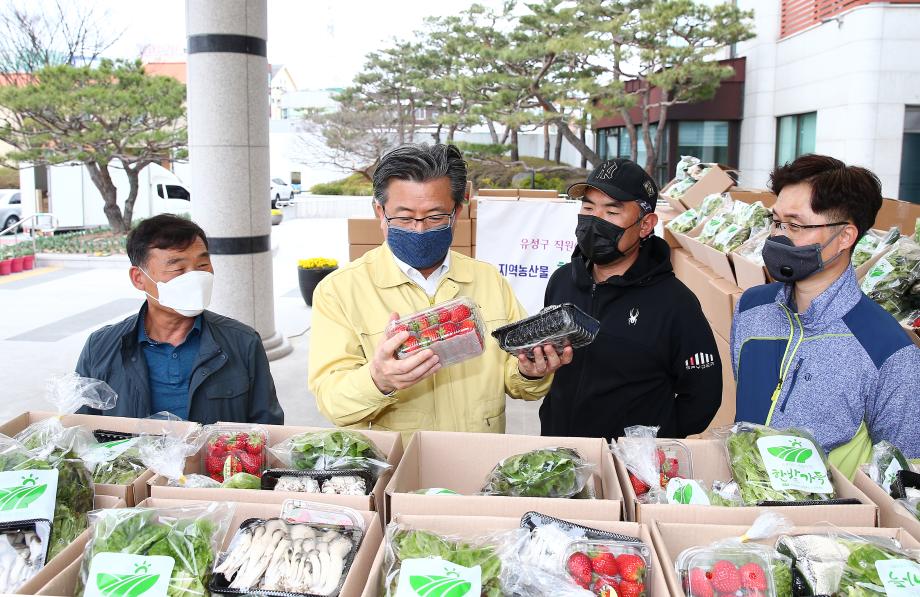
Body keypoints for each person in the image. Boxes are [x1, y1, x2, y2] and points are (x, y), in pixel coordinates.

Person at [309, 143, 572, 438]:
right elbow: (332, 402)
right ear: (380, 212)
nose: (419, 229)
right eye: (405, 217)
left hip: (478, 455)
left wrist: (529, 371)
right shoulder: (339, 291)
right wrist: (378, 379)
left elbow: (516, 377)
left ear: (457, 212)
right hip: (398, 460)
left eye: (435, 217)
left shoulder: (488, 280)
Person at [731, 154, 920, 476]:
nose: (778, 236)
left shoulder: (888, 351)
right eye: (776, 222)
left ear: (845, 236)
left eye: (795, 225)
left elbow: (903, 475)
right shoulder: (751, 308)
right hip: (740, 494)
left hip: (827, 508)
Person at [540, 158, 723, 441]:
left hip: (631, 463)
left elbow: (703, 396)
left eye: (612, 211)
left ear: (645, 224)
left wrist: (654, 440)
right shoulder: (562, 281)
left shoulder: (675, 303)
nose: (595, 220)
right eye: (588, 208)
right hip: (560, 452)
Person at [75, 214, 283, 424]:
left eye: (202, 265)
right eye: (178, 269)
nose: (195, 278)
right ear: (139, 278)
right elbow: (80, 430)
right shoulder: (100, 348)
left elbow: (268, 427)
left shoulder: (243, 342)